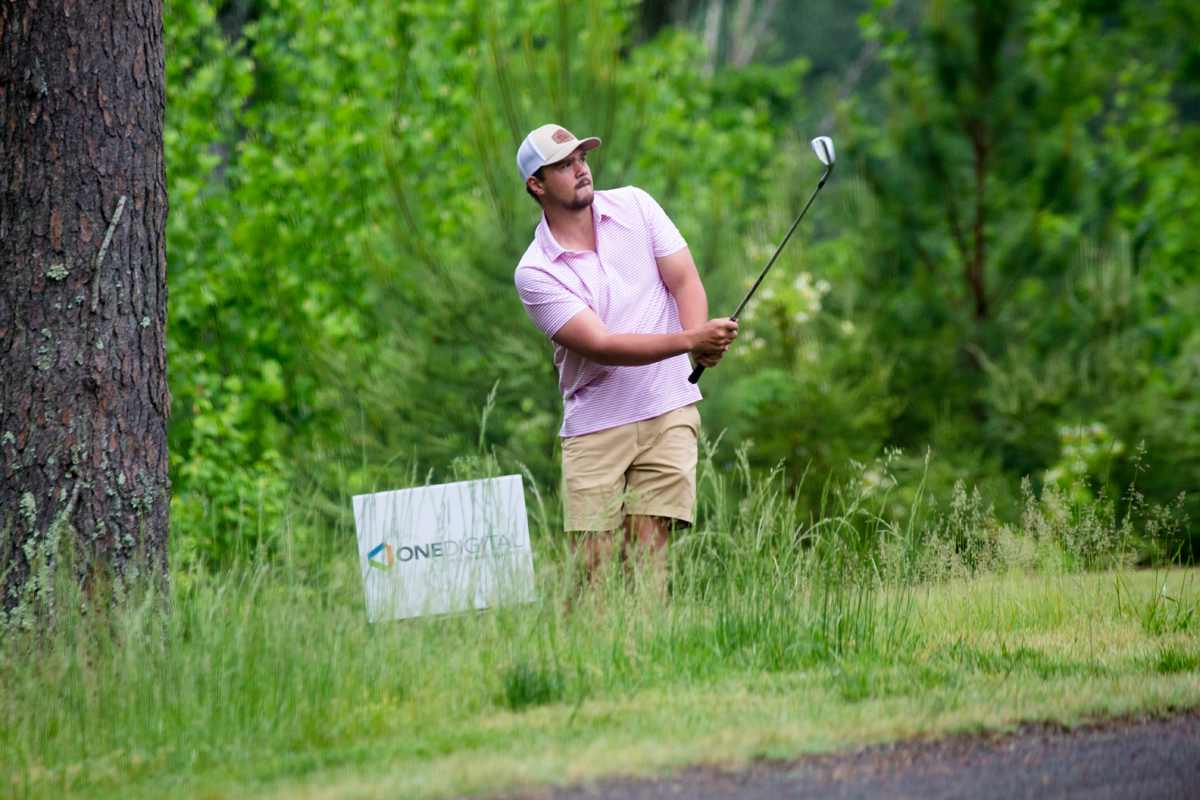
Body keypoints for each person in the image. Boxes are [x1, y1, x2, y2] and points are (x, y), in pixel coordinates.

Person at [513, 123, 738, 586]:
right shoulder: (534, 271)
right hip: (596, 424)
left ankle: (647, 636)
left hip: (668, 409)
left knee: (648, 565)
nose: (581, 170)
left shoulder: (636, 204)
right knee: (591, 575)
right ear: (537, 185)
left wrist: (699, 342)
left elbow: (685, 281)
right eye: (564, 165)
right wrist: (692, 341)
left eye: (582, 159)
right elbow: (603, 347)